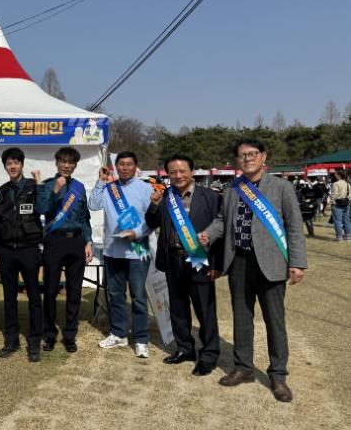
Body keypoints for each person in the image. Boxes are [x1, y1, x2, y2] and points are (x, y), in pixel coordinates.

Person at [198, 138, 307, 403]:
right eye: (242, 155)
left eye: (252, 153)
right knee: (242, 317)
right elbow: (222, 221)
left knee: (274, 320)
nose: (247, 158)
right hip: (239, 261)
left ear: (263, 156)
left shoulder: (281, 187)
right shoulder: (233, 189)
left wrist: (297, 262)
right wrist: (208, 234)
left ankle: (278, 374)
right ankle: (243, 368)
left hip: (271, 263)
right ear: (237, 160)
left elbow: (294, 226)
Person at [145, 154, 223, 376]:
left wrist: (216, 264)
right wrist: (153, 205)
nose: (178, 175)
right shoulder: (165, 196)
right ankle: (185, 348)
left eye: (182, 171)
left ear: (192, 172)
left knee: (205, 311)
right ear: (168, 174)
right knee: (178, 308)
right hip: (173, 260)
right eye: (173, 172)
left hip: (199, 259)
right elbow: (151, 223)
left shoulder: (210, 196)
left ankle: (209, 355)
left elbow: (220, 231)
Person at [88, 151, 153, 358]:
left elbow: (153, 219)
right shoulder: (109, 188)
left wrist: (137, 233)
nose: (125, 168)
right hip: (112, 250)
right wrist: (100, 181)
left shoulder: (146, 188)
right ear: (116, 167)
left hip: (137, 250)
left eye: (129, 164)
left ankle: (141, 339)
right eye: (121, 164)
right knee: (115, 295)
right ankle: (118, 333)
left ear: (135, 166)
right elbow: (93, 205)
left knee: (138, 297)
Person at [35, 147, 92, 353]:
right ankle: (49, 334)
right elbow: (41, 209)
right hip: (54, 241)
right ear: (57, 162)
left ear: (75, 165)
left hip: (76, 241)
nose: (67, 166)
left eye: (71, 162)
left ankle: (70, 335)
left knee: (74, 291)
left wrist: (88, 241)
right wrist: (55, 191)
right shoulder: (47, 185)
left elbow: (84, 217)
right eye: (63, 161)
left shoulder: (79, 187)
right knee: (50, 290)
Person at [0, 147, 44, 362]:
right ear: (5, 167)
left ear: (22, 164)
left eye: (16, 162)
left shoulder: (34, 186)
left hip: (29, 249)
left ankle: (34, 342)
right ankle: (11, 340)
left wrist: (39, 184)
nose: (12, 166)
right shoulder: (1, 191)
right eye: (9, 163)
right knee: (9, 298)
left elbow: (44, 208)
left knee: (34, 297)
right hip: (7, 251)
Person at [330, 169, 351, 241]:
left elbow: (334, 195)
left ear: (339, 175)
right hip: (347, 203)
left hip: (337, 204)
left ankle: (339, 237)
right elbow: (350, 196)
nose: (334, 175)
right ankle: (348, 236)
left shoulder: (336, 184)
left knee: (338, 221)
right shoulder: (348, 184)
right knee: (347, 221)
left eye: (336, 174)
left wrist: (331, 202)